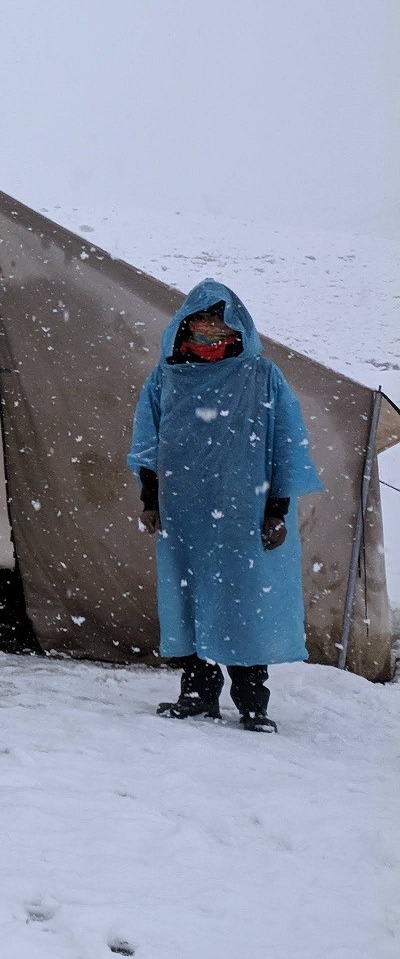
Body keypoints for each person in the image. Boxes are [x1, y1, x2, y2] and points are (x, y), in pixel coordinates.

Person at [129, 281, 321, 733]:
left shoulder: (261, 375)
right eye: (201, 319)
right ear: (185, 324)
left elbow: (286, 444)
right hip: (185, 511)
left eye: (218, 319)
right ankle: (197, 695)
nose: (209, 327)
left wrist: (277, 508)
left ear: (235, 324)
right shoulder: (166, 377)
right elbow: (148, 444)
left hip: (243, 513)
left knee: (244, 602)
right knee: (190, 598)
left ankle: (253, 703)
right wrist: (150, 500)